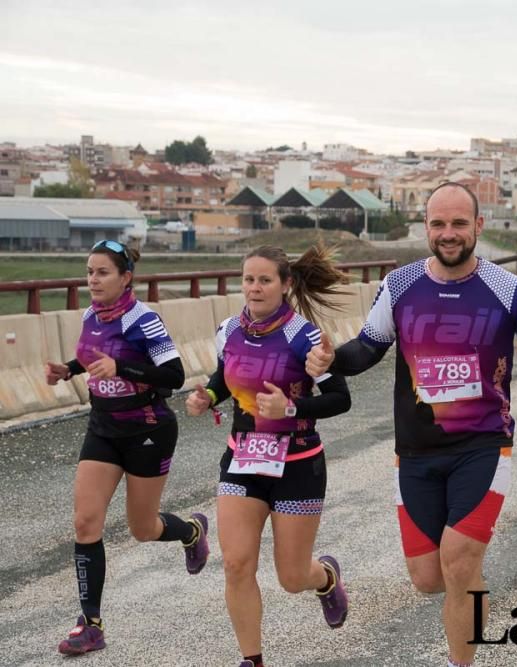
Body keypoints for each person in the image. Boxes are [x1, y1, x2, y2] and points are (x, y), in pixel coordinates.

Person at [304, 182, 517, 667]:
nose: (448, 234)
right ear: (425, 227)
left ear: (478, 226)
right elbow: (366, 349)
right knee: (429, 578)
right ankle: (470, 582)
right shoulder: (401, 284)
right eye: (438, 224)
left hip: (483, 446)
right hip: (415, 452)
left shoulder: (508, 289)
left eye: (458, 224)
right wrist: (328, 360)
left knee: (458, 559)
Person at [185, 245, 352, 667]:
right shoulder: (228, 329)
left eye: (264, 280)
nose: (254, 288)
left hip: (297, 465)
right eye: (248, 280)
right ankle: (252, 660)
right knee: (237, 564)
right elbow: (225, 376)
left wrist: (290, 408)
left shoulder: (305, 337)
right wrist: (207, 396)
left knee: (292, 578)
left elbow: (339, 398)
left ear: (285, 284)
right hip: (242, 462)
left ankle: (326, 577)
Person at [44, 240, 206, 656]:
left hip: (147, 429)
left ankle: (190, 530)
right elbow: (93, 357)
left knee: (142, 528)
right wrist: (69, 370)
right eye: (89, 272)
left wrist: (123, 369)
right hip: (103, 428)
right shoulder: (89, 315)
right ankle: (91, 624)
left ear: (125, 278)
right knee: (85, 522)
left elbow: (172, 375)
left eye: (102, 273)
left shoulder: (143, 320)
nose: (93, 280)